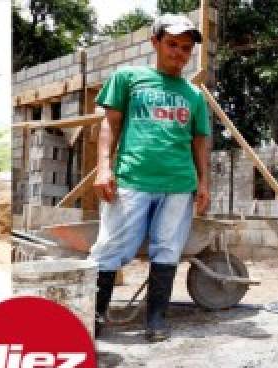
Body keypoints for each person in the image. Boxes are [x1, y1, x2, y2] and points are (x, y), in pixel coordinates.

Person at [90, 13, 211, 342]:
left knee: (168, 249)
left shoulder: (194, 95)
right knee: (110, 248)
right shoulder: (129, 77)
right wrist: (104, 166)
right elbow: (110, 124)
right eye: (172, 44)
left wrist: (203, 182)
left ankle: (156, 317)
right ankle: (94, 317)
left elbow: (200, 140)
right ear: (155, 42)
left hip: (179, 185)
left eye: (186, 48)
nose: (179, 54)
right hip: (132, 180)